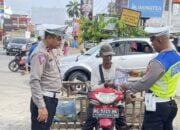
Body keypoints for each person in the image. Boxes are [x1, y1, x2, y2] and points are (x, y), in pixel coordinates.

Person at [121, 26, 180, 130]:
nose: (151, 44)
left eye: (152, 40)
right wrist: (139, 73)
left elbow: (144, 84)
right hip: (170, 105)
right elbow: (161, 75)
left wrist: (127, 86)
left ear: (160, 40)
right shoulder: (176, 57)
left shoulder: (159, 61)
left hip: (157, 108)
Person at [83, 43, 137, 130]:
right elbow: (93, 87)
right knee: (88, 124)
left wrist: (127, 92)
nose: (108, 58)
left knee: (122, 125)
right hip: (98, 101)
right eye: (106, 56)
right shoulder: (96, 70)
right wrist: (104, 85)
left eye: (110, 55)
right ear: (101, 56)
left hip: (114, 102)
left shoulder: (118, 69)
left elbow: (123, 85)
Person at [29, 27, 63, 130]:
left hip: (50, 100)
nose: (60, 41)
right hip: (44, 100)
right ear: (49, 38)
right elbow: (34, 81)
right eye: (58, 39)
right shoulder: (40, 53)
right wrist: (41, 106)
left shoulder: (51, 50)